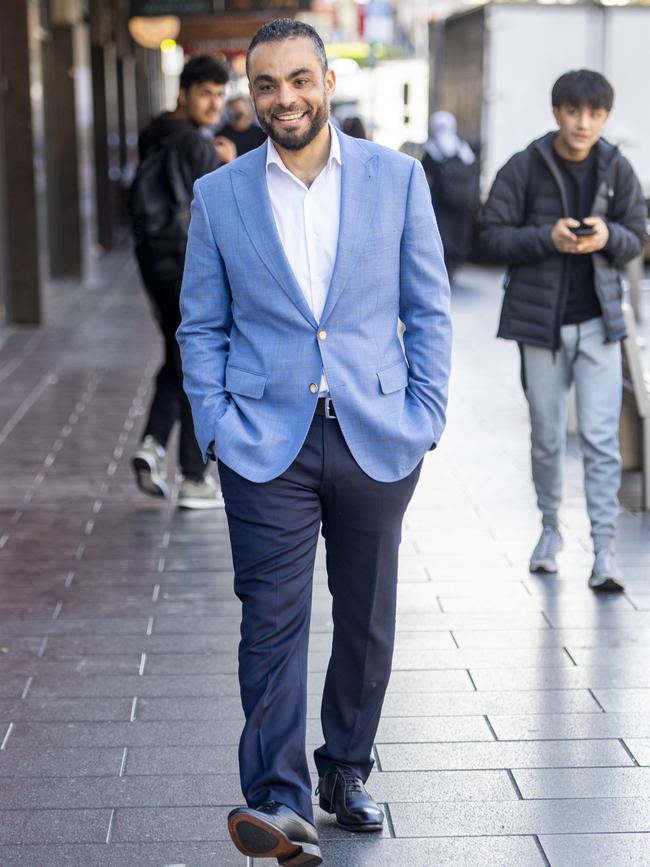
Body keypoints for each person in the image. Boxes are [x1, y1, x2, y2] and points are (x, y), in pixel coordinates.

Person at [177, 18, 451, 867]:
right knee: (272, 623)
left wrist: (426, 413)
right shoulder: (219, 195)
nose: (284, 97)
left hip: (374, 432)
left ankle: (344, 772)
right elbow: (201, 325)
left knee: (366, 621)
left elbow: (430, 305)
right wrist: (217, 423)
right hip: (267, 441)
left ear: (328, 82)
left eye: (300, 79)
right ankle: (277, 799)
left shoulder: (396, 178)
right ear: (247, 93)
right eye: (266, 85)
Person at [480, 69, 646, 591]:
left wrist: (607, 237)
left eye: (595, 113)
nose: (584, 122)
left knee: (600, 439)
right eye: (574, 111)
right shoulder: (526, 165)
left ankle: (604, 550)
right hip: (541, 326)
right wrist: (546, 237)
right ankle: (550, 530)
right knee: (548, 438)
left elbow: (638, 235)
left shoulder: (616, 166)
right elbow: (491, 236)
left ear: (605, 117)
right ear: (557, 113)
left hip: (599, 323)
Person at [130, 55, 236, 509]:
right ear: (184, 93)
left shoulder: (155, 133)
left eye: (220, 95)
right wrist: (223, 162)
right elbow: (216, 215)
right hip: (185, 267)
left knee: (180, 357)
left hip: (154, 264)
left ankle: (154, 445)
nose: (214, 104)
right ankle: (194, 476)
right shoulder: (196, 145)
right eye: (205, 94)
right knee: (199, 361)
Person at [421, 111, 478, 279]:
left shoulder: (431, 148)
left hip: (439, 204)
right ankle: (453, 267)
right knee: (457, 235)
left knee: (442, 235)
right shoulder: (463, 148)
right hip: (462, 204)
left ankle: (444, 268)